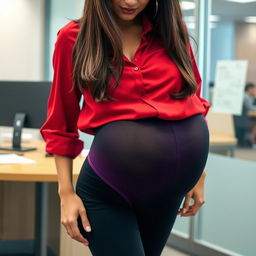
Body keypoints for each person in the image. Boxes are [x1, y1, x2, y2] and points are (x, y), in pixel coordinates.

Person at [40, 0, 211, 255]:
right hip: (110, 191)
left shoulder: (173, 33)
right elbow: (61, 122)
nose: (131, 1)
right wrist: (66, 193)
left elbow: (193, 100)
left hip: (169, 190)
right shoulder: (74, 38)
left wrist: (199, 172)